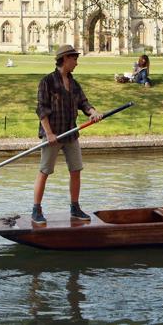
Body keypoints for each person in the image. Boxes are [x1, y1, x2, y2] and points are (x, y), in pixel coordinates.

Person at [31, 44, 103, 225]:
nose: (77, 63)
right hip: (53, 136)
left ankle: (75, 208)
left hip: (71, 134)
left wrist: (93, 112)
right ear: (64, 59)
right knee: (45, 171)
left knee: (76, 170)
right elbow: (42, 110)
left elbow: (84, 103)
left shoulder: (74, 84)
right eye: (74, 59)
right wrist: (49, 134)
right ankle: (36, 210)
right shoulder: (47, 82)